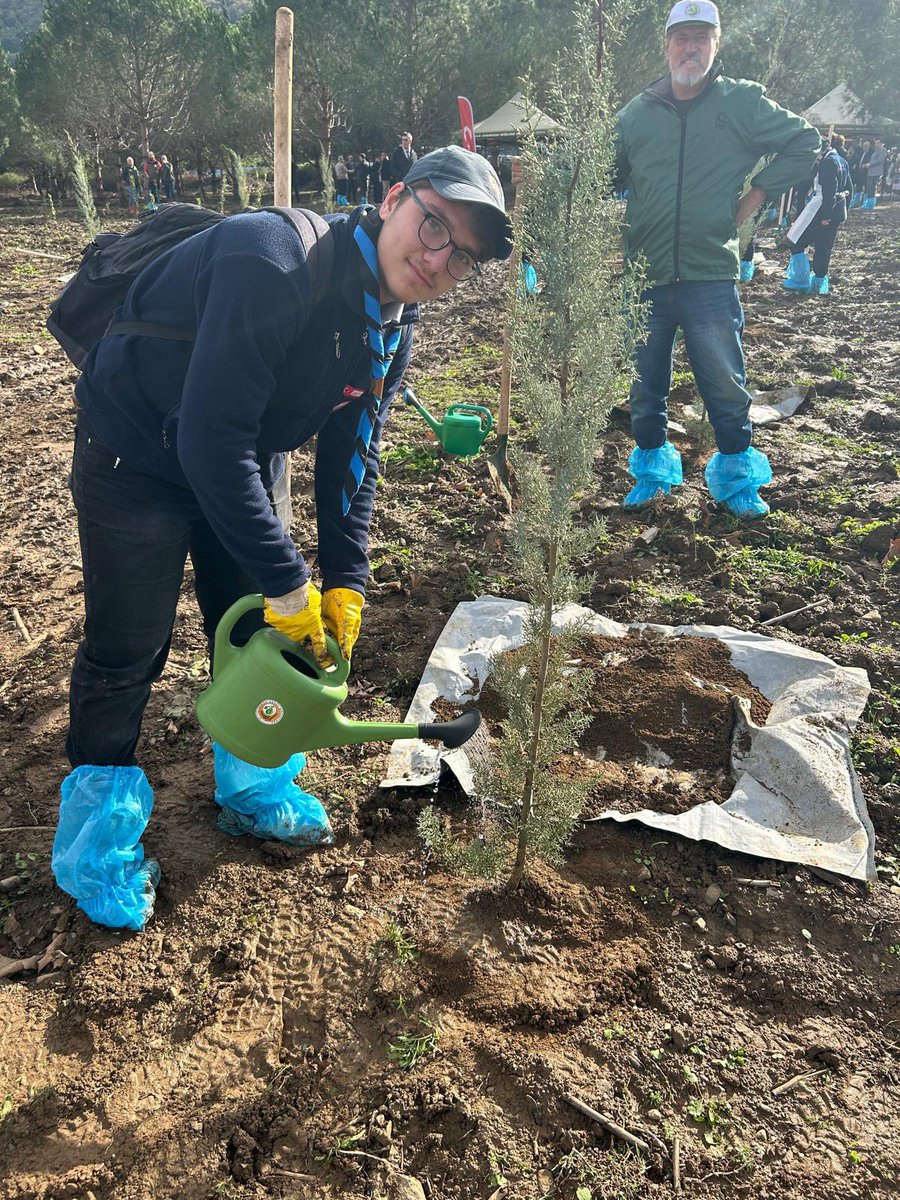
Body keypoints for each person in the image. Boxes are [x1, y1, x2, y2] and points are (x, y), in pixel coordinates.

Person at [51, 146, 513, 931]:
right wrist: (288, 576)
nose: (437, 259)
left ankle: (254, 784)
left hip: (235, 449)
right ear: (394, 197)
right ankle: (98, 839)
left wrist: (344, 583)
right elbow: (207, 442)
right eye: (432, 225)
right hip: (139, 450)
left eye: (461, 257)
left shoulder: (390, 327)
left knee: (261, 630)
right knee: (130, 645)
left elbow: (351, 459)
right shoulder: (271, 261)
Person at [613, 0, 820, 519]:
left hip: (710, 275)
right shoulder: (636, 114)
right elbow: (596, 172)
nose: (690, 47)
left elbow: (804, 142)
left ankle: (735, 482)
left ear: (715, 45)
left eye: (700, 38)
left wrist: (755, 196)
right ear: (666, 46)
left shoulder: (741, 104)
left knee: (725, 384)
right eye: (681, 37)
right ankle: (652, 474)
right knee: (645, 384)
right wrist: (544, 177)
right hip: (648, 275)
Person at [782, 141, 851, 295]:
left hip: (822, 208)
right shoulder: (842, 161)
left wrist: (826, 215)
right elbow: (849, 188)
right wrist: (844, 210)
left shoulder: (828, 162)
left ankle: (800, 279)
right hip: (838, 208)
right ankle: (818, 283)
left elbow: (830, 191)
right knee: (823, 247)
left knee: (797, 241)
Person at [863, 138, 887, 209]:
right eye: (875, 143)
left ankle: (871, 204)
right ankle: (867, 203)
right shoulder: (875, 151)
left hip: (877, 172)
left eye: (878, 143)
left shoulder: (883, 151)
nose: (876, 144)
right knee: (869, 188)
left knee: (873, 188)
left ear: (881, 143)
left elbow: (879, 160)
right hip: (871, 172)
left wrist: (869, 164)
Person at [848, 139, 870, 208]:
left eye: (866, 146)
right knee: (858, 187)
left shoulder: (870, 154)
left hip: (866, 173)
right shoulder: (861, 153)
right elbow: (858, 161)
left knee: (866, 188)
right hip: (859, 173)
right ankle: (856, 202)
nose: (865, 147)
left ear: (869, 146)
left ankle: (864, 202)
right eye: (864, 146)